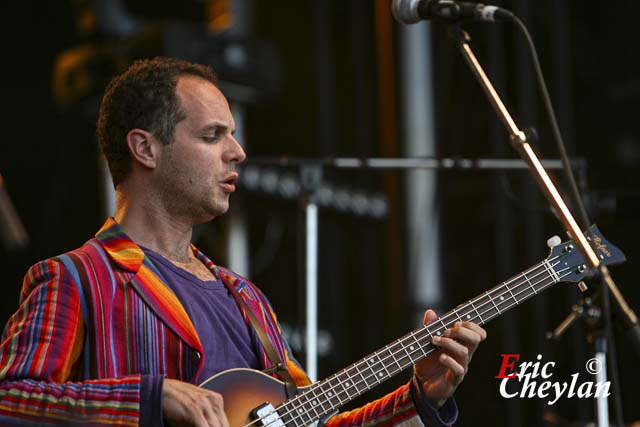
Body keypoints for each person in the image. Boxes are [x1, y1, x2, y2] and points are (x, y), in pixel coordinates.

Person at [0, 57, 486, 426]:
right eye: (213, 136)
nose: (238, 151)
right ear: (145, 147)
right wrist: (151, 397)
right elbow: (12, 400)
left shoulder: (246, 297)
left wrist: (422, 395)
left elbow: (310, 421)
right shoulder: (77, 276)